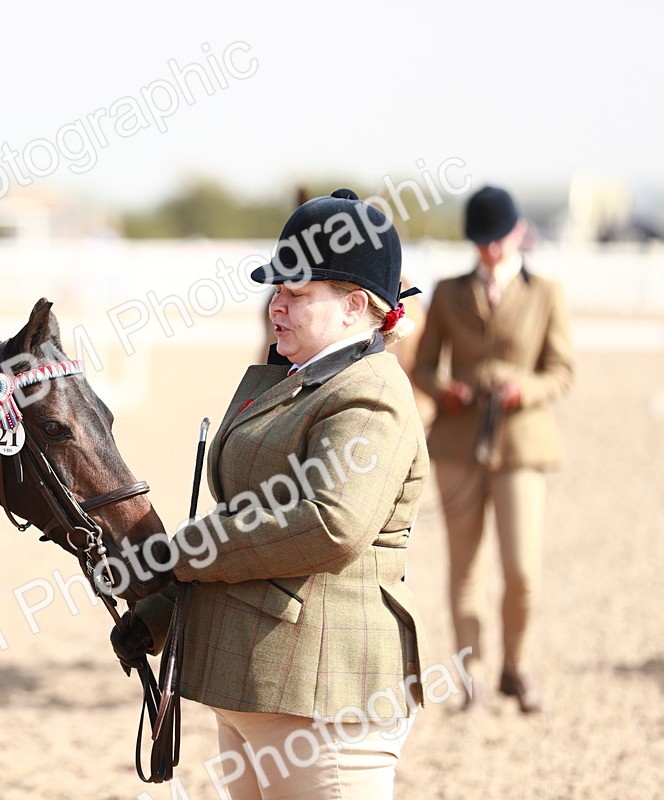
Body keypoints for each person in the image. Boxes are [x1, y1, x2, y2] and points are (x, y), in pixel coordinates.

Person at [115, 190, 430, 799]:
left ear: (354, 306)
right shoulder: (303, 380)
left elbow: (328, 524)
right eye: (276, 292)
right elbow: (251, 522)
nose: (275, 307)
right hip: (256, 680)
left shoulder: (369, 393)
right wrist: (163, 613)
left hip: (325, 693)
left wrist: (181, 552)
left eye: (295, 294)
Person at [412, 186, 573, 713]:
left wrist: (525, 389)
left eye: (498, 241)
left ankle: (515, 666)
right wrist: (446, 391)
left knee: (522, 568)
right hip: (458, 441)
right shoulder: (447, 291)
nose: (491, 252)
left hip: (522, 440)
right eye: (482, 243)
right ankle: (471, 675)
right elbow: (423, 367)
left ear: (517, 234)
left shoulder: (547, 293)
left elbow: (562, 370)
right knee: (464, 566)